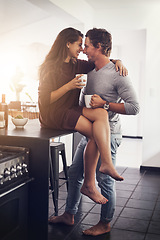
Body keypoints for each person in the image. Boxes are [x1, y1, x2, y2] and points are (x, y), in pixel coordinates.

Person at [48, 28, 140, 236]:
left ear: (98, 47)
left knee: (104, 179)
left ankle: (105, 222)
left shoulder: (119, 74)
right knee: (75, 173)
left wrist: (105, 104)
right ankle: (69, 214)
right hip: (90, 132)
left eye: (87, 45)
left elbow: (134, 108)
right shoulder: (88, 70)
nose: (83, 50)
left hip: (109, 134)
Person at [38, 27, 125, 205]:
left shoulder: (75, 63)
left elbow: (98, 62)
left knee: (101, 112)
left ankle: (106, 163)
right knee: (93, 134)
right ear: (67, 43)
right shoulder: (50, 67)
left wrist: (118, 60)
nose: (82, 49)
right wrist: (69, 86)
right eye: (79, 45)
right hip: (53, 114)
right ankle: (89, 184)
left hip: (70, 109)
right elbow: (45, 100)